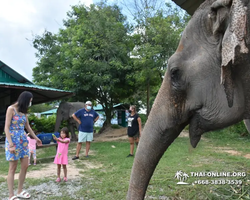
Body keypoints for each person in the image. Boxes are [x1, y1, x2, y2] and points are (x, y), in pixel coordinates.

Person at [4, 91, 42, 200]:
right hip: (13, 140)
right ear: (25, 100)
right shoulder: (11, 109)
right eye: (30, 101)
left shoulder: (24, 111)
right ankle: (11, 195)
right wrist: (11, 144)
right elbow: (6, 127)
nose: (31, 103)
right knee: (13, 167)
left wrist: (36, 138)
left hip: (23, 140)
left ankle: (20, 190)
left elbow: (28, 127)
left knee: (25, 165)